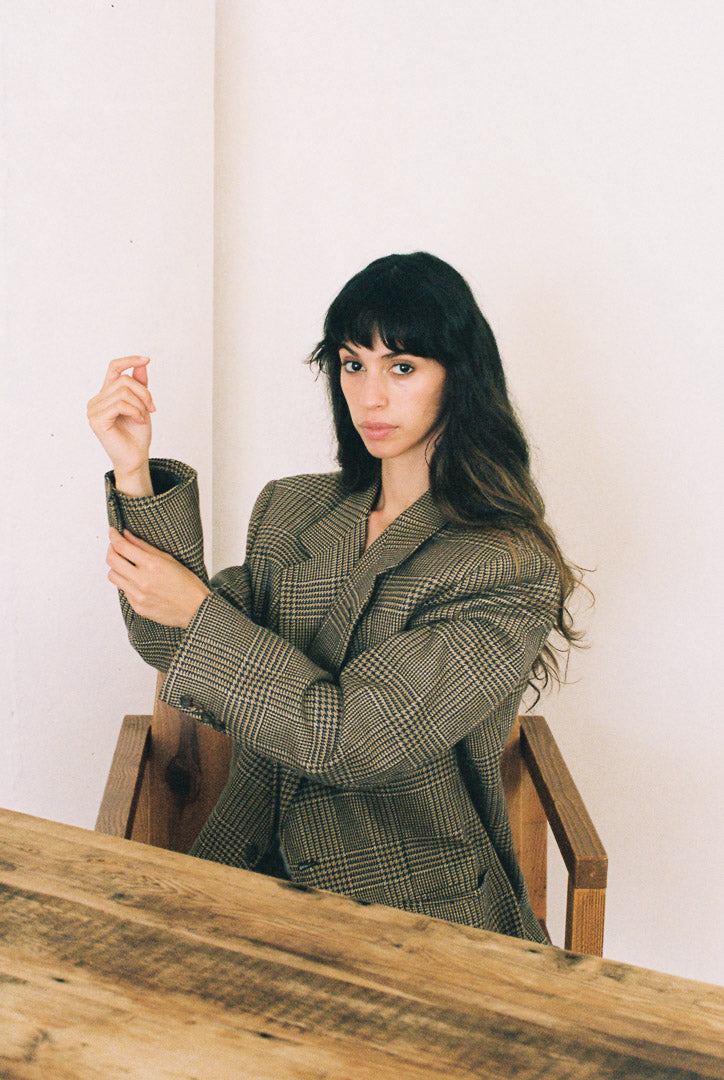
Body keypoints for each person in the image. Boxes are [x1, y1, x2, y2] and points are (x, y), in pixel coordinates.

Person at [87, 252, 583, 942]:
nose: (370, 397)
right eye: (353, 365)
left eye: (402, 367)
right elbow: (170, 641)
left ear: (459, 378)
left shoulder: (504, 565)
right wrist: (134, 473)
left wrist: (198, 612)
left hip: (411, 910)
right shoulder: (295, 509)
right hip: (241, 874)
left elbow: (351, 741)